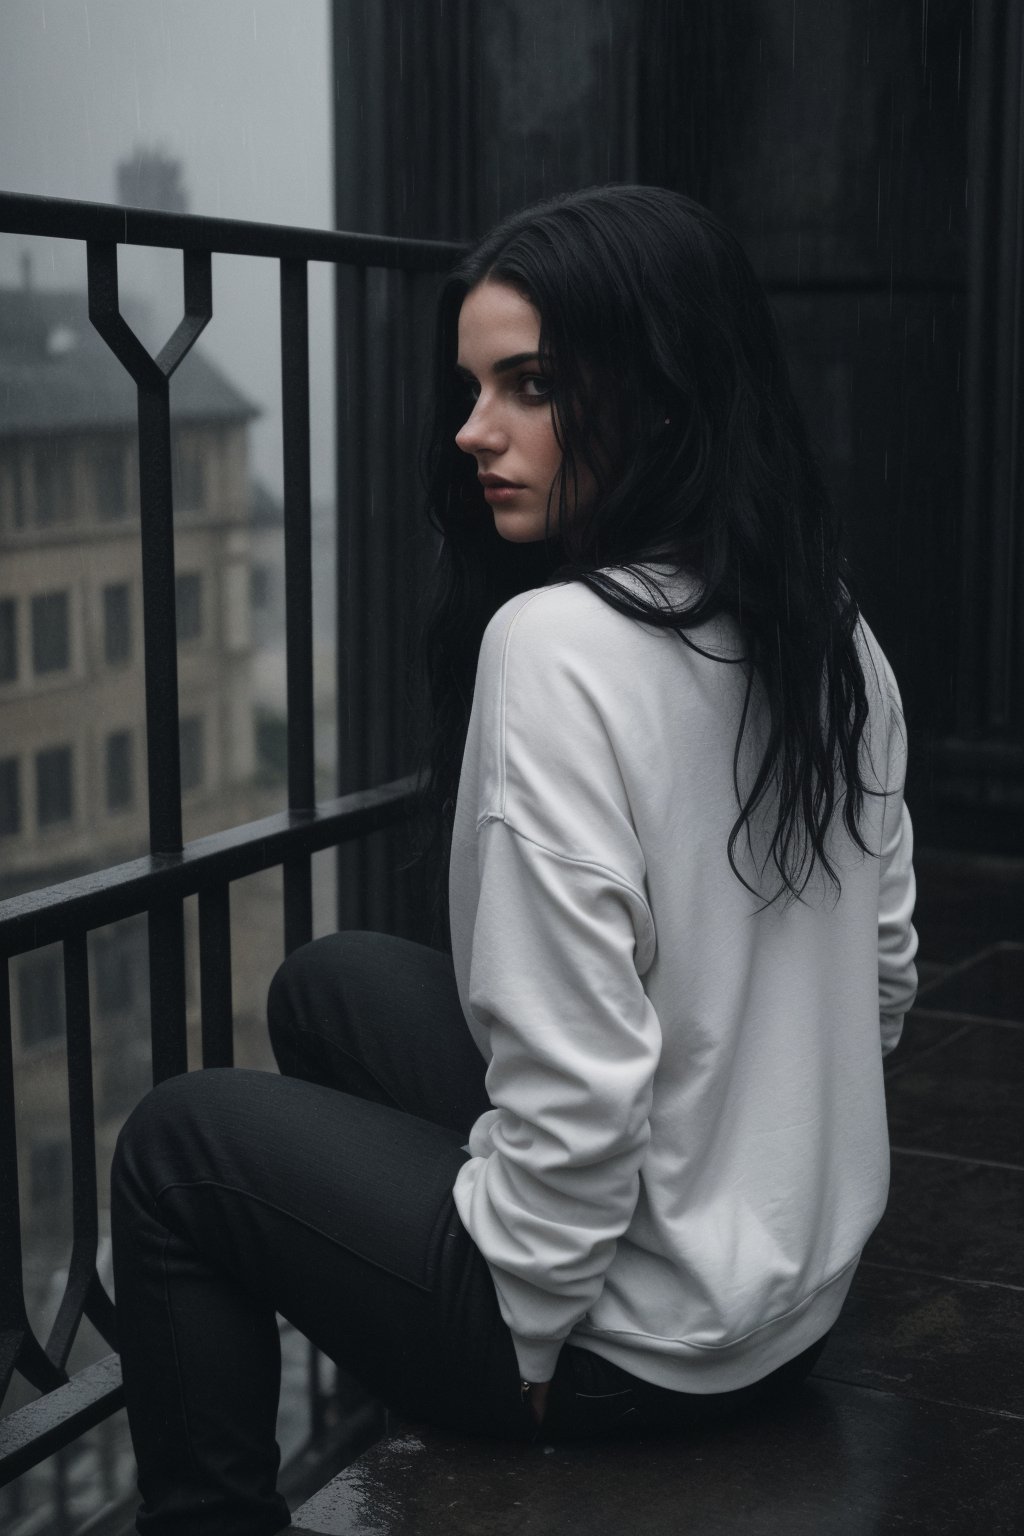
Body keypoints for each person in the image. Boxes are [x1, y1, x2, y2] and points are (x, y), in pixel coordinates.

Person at [110, 185, 918, 1536]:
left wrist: (533, 1344)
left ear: (658, 392)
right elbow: (880, 982)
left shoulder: (554, 648)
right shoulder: (826, 627)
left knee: (177, 1146)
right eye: (473, 383)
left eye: (529, 386)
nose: (472, 430)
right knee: (328, 980)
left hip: (621, 1356)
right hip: (793, 1315)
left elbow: (584, 1097)